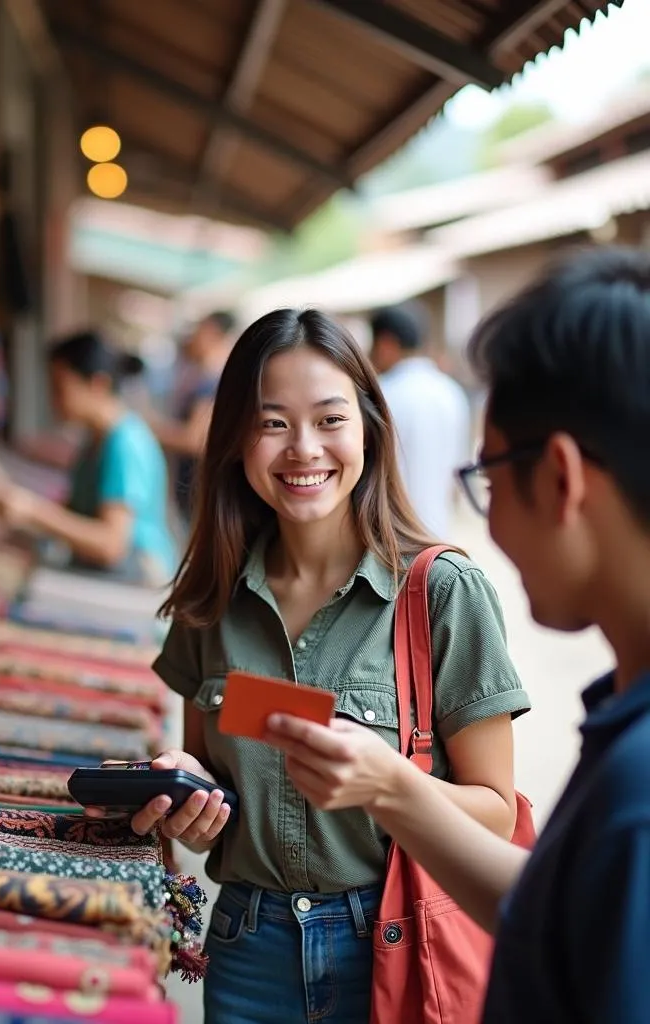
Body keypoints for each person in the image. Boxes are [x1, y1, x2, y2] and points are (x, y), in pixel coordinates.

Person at [264, 247, 650, 1023]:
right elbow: (553, 912)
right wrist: (391, 785)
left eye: (490, 478)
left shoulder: (638, 787)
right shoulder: (624, 726)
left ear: (562, 478)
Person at [122, 308, 530, 1023]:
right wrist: (189, 804)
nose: (303, 449)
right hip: (247, 947)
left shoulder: (440, 592)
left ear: (370, 428)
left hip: (398, 944)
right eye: (273, 422)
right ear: (235, 440)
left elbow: (495, 816)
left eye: (330, 419)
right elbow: (212, 784)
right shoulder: (209, 601)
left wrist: (387, 786)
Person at [0, 330, 176, 586]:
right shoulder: (96, 440)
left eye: (59, 388)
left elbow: (111, 545)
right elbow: (70, 518)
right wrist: (3, 493)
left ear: (97, 385)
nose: (53, 399)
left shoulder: (125, 443)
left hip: (142, 576)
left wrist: (31, 509)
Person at [370, 303, 471, 537]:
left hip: (390, 533)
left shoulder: (382, 395)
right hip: (438, 532)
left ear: (385, 344)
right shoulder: (451, 392)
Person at [143, 310, 236, 521]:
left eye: (199, 329)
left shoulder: (213, 380)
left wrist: (142, 427)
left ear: (213, 333)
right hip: (194, 491)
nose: (192, 336)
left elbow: (193, 439)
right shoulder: (205, 377)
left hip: (202, 492)